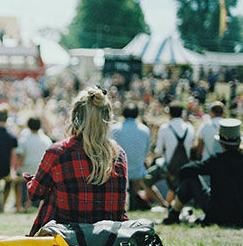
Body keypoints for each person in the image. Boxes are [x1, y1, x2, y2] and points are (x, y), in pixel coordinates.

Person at [26, 87, 128, 236]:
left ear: (74, 117)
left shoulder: (58, 152)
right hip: (109, 241)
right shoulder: (118, 154)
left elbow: (34, 193)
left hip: (68, 239)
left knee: (53, 193)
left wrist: (32, 179)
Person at [162, 118, 243, 227]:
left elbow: (186, 170)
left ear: (221, 143)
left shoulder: (216, 161)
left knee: (191, 180)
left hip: (219, 216)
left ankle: (173, 214)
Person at [110, 102, 167, 210]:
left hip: (118, 170)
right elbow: (146, 152)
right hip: (137, 170)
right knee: (138, 177)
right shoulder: (144, 129)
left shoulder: (114, 129)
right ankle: (135, 200)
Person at [146, 101, 195, 204]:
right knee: (174, 187)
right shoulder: (189, 127)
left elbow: (158, 151)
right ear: (182, 113)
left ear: (169, 114)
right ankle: (172, 205)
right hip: (185, 167)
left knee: (145, 181)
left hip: (168, 168)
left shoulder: (165, 128)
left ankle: (162, 204)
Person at [15, 117, 52, 212]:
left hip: (27, 169)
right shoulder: (46, 140)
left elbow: (21, 157)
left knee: (17, 181)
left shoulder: (24, 139)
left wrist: (18, 168)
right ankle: (29, 204)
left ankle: (20, 206)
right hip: (42, 170)